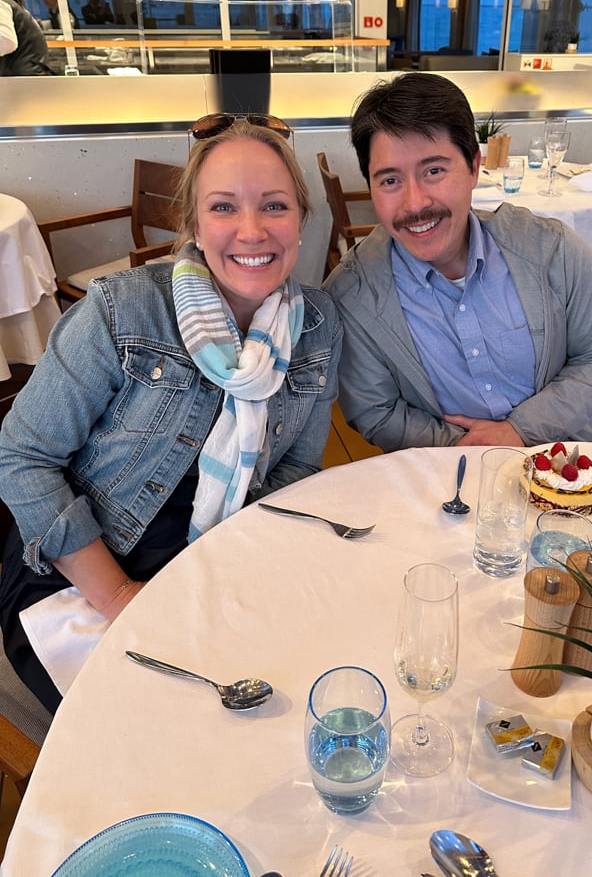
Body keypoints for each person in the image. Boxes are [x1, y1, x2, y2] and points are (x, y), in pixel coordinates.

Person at [0, 115, 342, 712]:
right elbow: (21, 459)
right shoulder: (122, 311)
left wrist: (235, 573)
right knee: (162, 729)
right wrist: (120, 597)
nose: (253, 231)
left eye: (275, 206)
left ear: (300, 220)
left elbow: (297, 472)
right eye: (223, 207)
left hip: (216, 561)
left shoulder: (317, 326)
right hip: (83, 574)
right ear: (194, 226)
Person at [323, 72, 592, 452]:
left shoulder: (550, 249)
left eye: (434, 171)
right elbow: (377, 412)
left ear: (473, 167)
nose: (415, 203)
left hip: (564, 463)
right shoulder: (352, 296)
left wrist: (521, 430)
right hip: (443, 473)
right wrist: (478, 449)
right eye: (390, 181)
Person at [0, 0, 53, 76]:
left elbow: (6, 42)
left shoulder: (2, 4)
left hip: (23, 80)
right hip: (30, 77)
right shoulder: (11, 4)